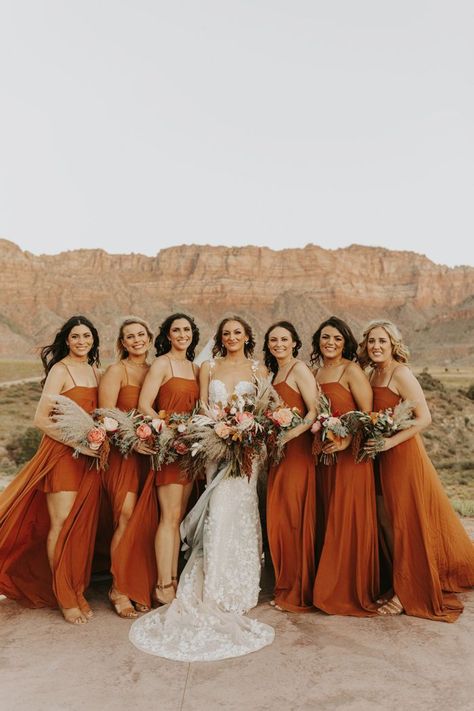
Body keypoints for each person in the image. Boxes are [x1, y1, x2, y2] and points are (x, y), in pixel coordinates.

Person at [129, 315, 274, 661]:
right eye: (226, 333)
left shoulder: (259, 370)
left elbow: (268, 408)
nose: (232, 337)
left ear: (247, 336)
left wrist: (249, 429)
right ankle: (212, 583)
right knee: (218, 509)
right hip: (213, 447)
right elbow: (201, 407)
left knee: (244, 508)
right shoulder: (207, 366)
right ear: (220, 338)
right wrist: (217, 428)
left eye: (238, 332)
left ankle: (241, 583)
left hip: (247, 449)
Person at [359, 319, 474, 621]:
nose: (376, 346)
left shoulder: (401, 373)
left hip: (402, 455)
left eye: (382, 341)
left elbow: (424, 418)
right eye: (371, 341)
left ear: (393, 343)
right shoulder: (372, 372)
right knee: (384, 520)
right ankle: (396, 579)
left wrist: (389, 442)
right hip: (378, 456)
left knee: (403, 523)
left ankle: (406, 592)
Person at [0, 316, 102, 624]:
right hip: (62, 454)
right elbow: (41, 419)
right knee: (61, 524)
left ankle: (77, 587)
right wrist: (78, 443)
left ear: (94, 340)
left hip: (89, 457)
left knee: (82, 526)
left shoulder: (95, 371)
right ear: (67, 341)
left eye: (87, 336)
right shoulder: (61, 370)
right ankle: (64, 595)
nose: (81, 341)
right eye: (75, 336)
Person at [311, 316, 379, 616]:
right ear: (318, 340)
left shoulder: (352, 370)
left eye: (337, 338)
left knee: (347, 518)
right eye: (326, 337)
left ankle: (346, 589)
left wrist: (345, 438)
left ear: (346, 343)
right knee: (328, 516)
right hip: (324, 456)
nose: (331, 342)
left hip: (351, 457)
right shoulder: (314, 372)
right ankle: (328, 582)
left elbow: (367, 414)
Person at [98, 317, 154, 618]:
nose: (136, 340)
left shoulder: (154, 370)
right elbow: (105, 416)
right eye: (129, 336)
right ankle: (118, 588)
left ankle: (139, 583)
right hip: (123, 455)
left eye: (140, 335)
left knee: (147, 520)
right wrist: (131, 441)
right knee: (127, 516)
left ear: (149, 337)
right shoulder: (116, 371)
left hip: (152, 455)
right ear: (122, 343)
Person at [264, 321, 318, 612]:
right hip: (278, 452)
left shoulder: (299, 369)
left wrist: (291, 434)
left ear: (295, 342)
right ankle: (285, 583)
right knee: (279, 517)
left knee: (294, 517)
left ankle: (298, 591)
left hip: (297, 451)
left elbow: (315, 410)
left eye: (284, 339)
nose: (278, 344)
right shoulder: (275, 372)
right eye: (273, 340)